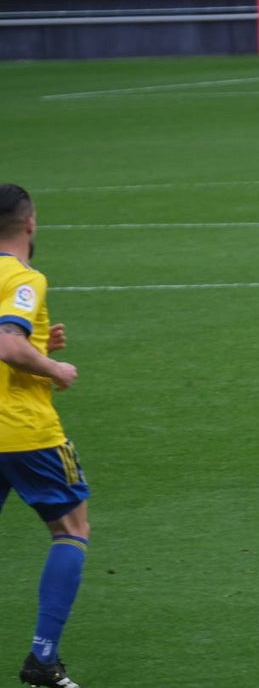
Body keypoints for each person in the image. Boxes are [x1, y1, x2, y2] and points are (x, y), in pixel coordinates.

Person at [0, 184, 88, 688]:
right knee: (71, 529)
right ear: (30, 223)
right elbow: (8, 345)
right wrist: (53, 367)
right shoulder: (24, 277)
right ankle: (42, 659)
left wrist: (38, 345)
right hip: (23, 432)